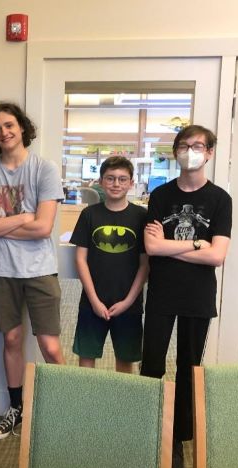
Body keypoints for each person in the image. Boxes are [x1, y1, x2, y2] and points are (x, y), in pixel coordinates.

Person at [0, 101, 65, 440]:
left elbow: (43, 228)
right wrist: (22, 218)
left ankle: (66, 408)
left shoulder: (44, 169)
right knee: (11, 339)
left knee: (50, 347)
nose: (4, 132)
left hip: (39, 269)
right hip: (0, 269)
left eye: (9, 125)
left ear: (22, 127)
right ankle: (16, 408)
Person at [141, 125, 232, 468]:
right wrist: (197, 244)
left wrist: (170, 247)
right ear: (175, 152)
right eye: (183, 145)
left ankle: (178, 438)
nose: (190, 151)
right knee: (152, 365)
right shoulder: (160, 196)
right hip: (162, 292)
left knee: (189, 367)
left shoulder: (221, 199)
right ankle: (150, 431)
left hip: (197, 296)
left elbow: (218, 257)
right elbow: (152, 248)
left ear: (208, 152)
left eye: (197, 146)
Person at [70, 156, 148, 373]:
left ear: (131, 183)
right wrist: (94, 300)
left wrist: (128, 300)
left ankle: (121, 405)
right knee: (86, 356)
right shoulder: (89, 214)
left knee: (125, 359)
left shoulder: (141, 216)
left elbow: (145, 265)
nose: (116, 184)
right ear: (101, 181)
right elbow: (80, 259)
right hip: (92, 300)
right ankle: (89, 403)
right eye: (110, 178)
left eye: (123, 179)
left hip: (129, 303)